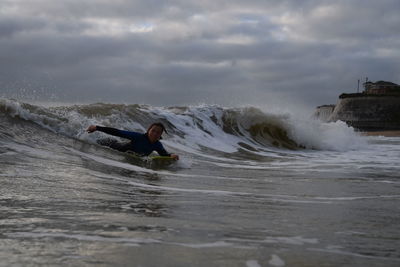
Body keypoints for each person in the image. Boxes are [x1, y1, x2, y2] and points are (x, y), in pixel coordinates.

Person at [86, 123, 179, 160]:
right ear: (148, 130)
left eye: (158, 132)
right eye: (153, 131)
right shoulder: (138, 137)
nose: (155, 134)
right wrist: (97, 128)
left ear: (160, 135)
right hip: (112, 145)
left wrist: (172, 155)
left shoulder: (157, 145)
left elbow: (163, 154)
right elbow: (118, 132)